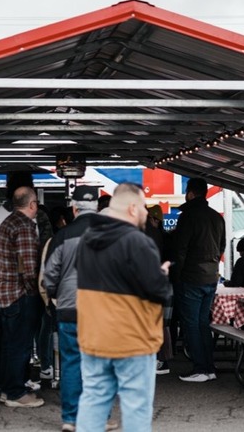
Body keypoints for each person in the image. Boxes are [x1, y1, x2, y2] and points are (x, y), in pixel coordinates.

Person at [75, 183, 172, 432]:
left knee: (93, 401)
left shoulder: (87, 241)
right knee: (136, 406)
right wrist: (161, 274)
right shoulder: (137, 242)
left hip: (94, 336)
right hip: (132, 338)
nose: (145, 212)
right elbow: (160, 292)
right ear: (132, 208)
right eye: (142, 206)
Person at [44, 185, 119, 432]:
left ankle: (71, 419)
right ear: (97, 207)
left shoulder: (62, 236)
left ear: (74, 209)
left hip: (69, 309)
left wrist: (56, 295)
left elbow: (49, 275)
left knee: (71, 363)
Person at [170, 177, 225, 383]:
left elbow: (180, 249)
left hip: (191, 277)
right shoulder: (217, 217)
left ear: (191, 193)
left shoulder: (188, 216)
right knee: (203, 323)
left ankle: (200, 368)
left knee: (191, 324)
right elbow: (221, 247)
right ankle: (209, 367)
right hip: (211, 276)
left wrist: (178, 276)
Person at [0, 186, 45, 408]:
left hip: (5, 292)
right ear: (32, 204)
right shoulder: (24, 226)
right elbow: (28, 266)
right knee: (20, 346)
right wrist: (36, 292)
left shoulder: (8, 222)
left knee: (9, 344)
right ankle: (16, 393)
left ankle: (6, 388)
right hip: (20, 294)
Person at [145, 204, 173, 375]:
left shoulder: (149, 234)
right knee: (163, 323)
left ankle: (159, 360)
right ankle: (162, 359)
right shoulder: (164, 236)